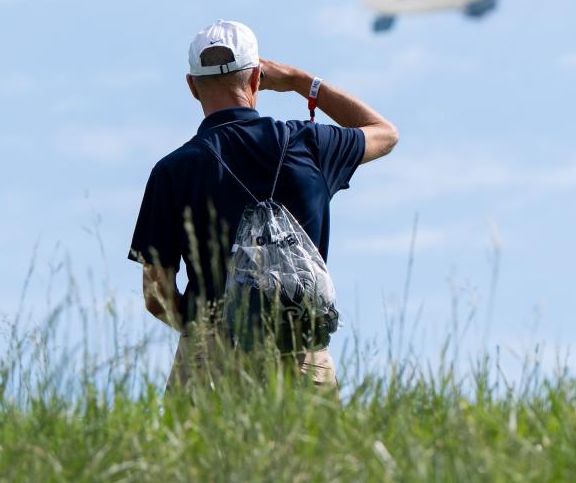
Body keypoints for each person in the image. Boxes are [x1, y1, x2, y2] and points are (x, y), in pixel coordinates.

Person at [128, 20, 398, 390]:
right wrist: (303, 82)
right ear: (257, 78)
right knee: (314, 450)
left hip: (209, 361)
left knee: (201, 451)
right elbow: (385, 133)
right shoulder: (309, 143)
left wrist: (205, 333)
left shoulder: (171, 171)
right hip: (301, 355)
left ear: (192, 86)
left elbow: (155, 295)